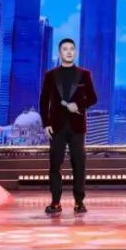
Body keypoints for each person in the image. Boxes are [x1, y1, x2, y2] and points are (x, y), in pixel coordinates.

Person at [38, 38, 98, 215]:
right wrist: (46, 123)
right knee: (55, 164)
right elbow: (44, 101)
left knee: (79, 164)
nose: (69, 52)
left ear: (75, 52)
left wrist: (79, 105)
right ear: (60, 53)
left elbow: (93, 98)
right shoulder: (50, 75)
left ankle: (79, 202)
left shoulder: (84, 74)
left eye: (72, 49)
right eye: (65, 49)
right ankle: (55, 201)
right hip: (56, 127)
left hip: (77, 126)